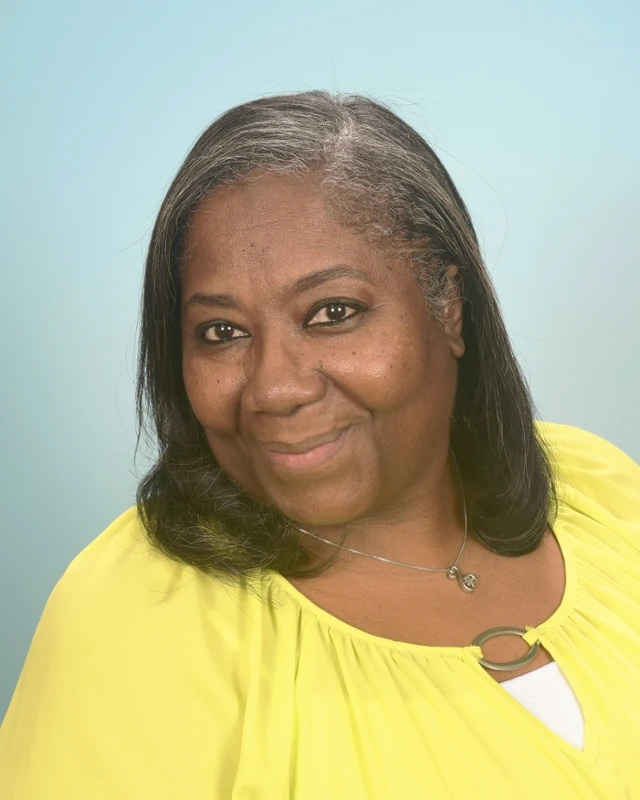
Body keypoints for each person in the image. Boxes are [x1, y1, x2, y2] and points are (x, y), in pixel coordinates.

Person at [1, 91, 639, 799]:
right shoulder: (129, 616)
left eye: (333, 313)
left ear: (448, 307)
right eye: (222, 332)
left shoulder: (600, 489)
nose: (275, 388)